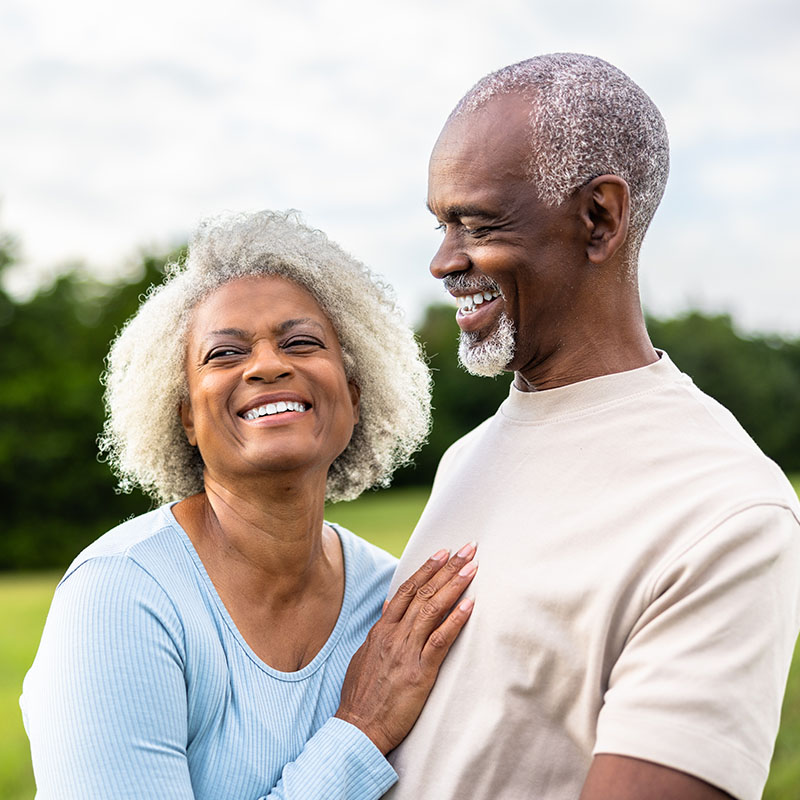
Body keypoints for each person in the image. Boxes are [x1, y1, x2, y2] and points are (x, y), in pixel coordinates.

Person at [384, 53, 800, 800]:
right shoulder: (471, 456)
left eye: (475, 223)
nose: (444, 261)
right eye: (442, 223)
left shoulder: (725, 510)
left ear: (600, 218)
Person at [20, 210, 478, 799]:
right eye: (225, 354)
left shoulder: (391, 609)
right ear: (185, 415)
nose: (267, 365)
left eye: (301, 342)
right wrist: (361, 730)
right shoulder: (121, 594)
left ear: (355, 396)